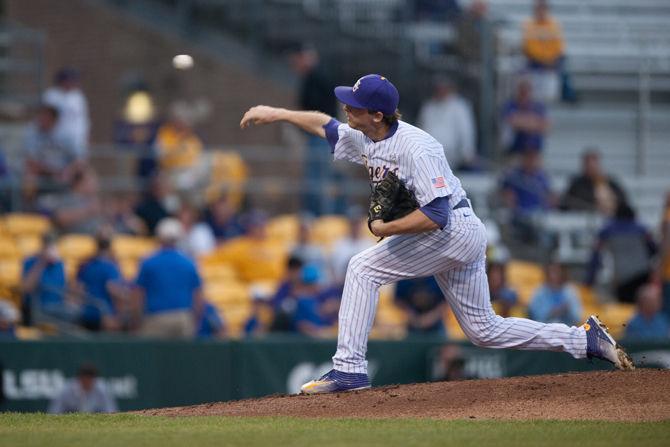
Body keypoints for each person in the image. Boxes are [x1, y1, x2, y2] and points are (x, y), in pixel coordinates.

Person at [240, 73, 632, 394]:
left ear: (376, 114)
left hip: (454, 230)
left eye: (354, 104)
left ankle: (349, 371)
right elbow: (326, 127)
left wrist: (386, 228)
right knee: (484, 331)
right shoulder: (368, 134)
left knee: (362, 267)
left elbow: (437, 214)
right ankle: (584, 340)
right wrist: (277, 113)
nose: (346, 106)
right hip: (453, 234)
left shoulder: (417, 148)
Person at [134, 218, 204, 338]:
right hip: (183, 318)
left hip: (156, 318)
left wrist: (137, 319)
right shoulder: (189, 263)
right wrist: (195, 321)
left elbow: (138, 294)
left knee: (154, 355)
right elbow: (198, 296)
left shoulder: (149, 262)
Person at [586, 203, 657, 303]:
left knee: (625, 309)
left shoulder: (607, 230)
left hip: (623, 277)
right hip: (643, 273)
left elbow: (596, 254)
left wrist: (590, 278)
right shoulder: (642, 229)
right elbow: (654, 249)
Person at [22, 104, 83, 203]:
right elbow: (31, 162)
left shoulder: (65, 134)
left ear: (54, 119)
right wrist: (54, 172)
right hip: (41, 173)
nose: (41, 119)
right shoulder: (32, 131)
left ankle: (77, 209)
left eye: (45, 117)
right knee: (29, 178)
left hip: (64, 173)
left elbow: (79, 160)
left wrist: (69, 171)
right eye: (40, 116)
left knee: (88, 176)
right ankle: (28, 210)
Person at [417, 77, 477, 171]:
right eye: (438, 88)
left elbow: (466, 130)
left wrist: (467, 152)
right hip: (427, 154)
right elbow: (420, 129)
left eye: (444, 88)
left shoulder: (460, 106)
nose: (441, 91)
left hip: (451, 155)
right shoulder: (428, 106)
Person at [76, 233, 127, 331]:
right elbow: (113, 289)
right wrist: (126, 298)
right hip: (105, 315)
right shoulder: (110, 266)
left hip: (86, 312)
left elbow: (79, 288)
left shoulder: (86, 265)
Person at [21, 233, 72, 325]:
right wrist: (42, 262)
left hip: (58, 308)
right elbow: (27, 288)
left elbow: (64, 289)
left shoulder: (60, 264)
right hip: (36, 308)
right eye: (48, 246)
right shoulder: (31, 261)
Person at [521, 0, 566, 102]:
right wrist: (543, 59)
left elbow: (558, 47)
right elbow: (528, 47)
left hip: (551, 62)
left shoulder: (554, 25)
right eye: (538, 9)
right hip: (535, 62)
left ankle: (554, 98)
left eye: (543, 9)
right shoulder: (528, 25)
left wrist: (549, 59)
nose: (540, 12)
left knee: (561, 66)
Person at [561, 149, 628, 216]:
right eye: (588, 164)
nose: (591, 167)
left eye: (593, 164)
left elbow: (622, 201)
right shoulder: (576, 184)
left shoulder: (610, 183)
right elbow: (568, 203)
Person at [42, 68, 90, 160]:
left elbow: (84, 121)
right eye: (69, 80)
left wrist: (86, 139)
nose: (71, 83)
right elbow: (46, 120)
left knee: (79, 167)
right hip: (56, 141)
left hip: (77, 141)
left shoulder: (78, 96)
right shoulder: (51, 95)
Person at [501, 78, 548, 155]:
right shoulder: (510, 105)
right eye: (522, 90)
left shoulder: (538, 106)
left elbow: (546, 125)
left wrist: (523, 121)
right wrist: (535, 123)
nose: (525, 93)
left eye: (527, 90)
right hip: (514, 151)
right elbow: (513, 121)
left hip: (534, 153)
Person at [528, 262, 582, 326]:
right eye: (552, 272)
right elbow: (535, 315)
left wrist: (567, 310)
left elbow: (577, 317)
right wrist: (552, 312)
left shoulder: (571, 291)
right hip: (543, 329)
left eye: (558, 272)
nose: (555, 275)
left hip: (566, 330)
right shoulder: (540, 291)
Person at [48, 364, 117, 414]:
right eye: (85, 378)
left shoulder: (102, 389)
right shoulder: (66, 390)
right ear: (79, 378)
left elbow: (111, 411)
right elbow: (54, 412)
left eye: (90, 379)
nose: (87, 381)